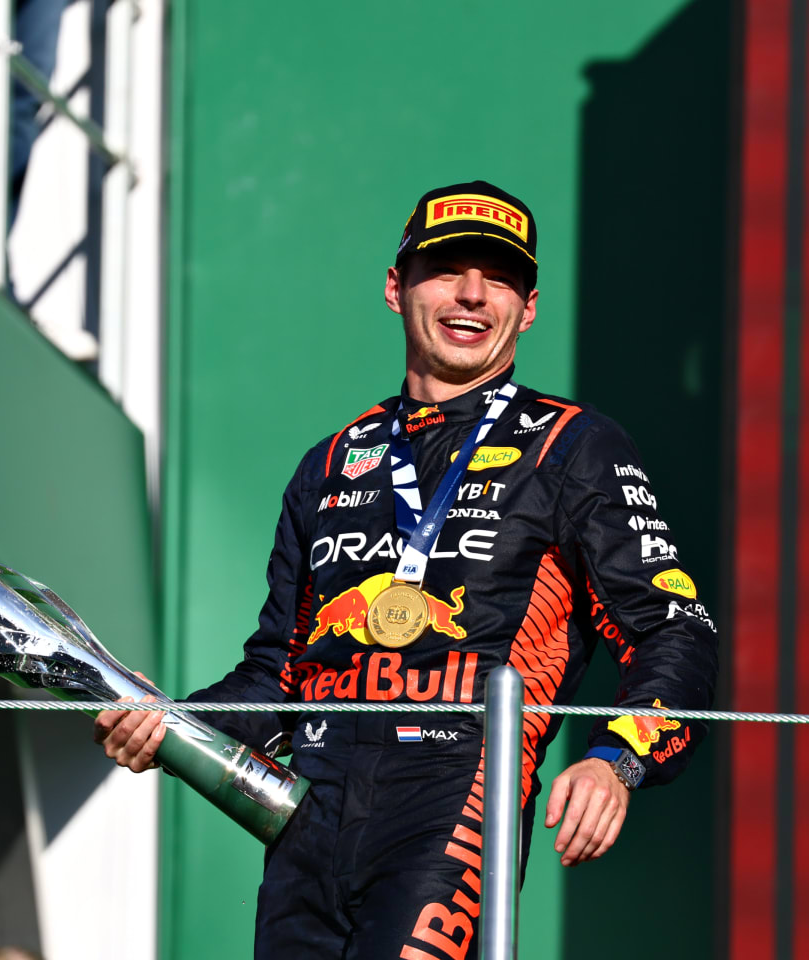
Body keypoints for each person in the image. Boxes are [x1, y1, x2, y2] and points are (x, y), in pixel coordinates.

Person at [94, 181, 719, 960]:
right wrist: (169, 725)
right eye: (446, 269)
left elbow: (673, 630)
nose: (470, 295)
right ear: (397, 288)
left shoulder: (572, 446)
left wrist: (617, 759)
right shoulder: (329, 462)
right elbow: (274, 678)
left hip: (457, 796)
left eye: (498, 278)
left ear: (527, 308)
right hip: (303, 814)